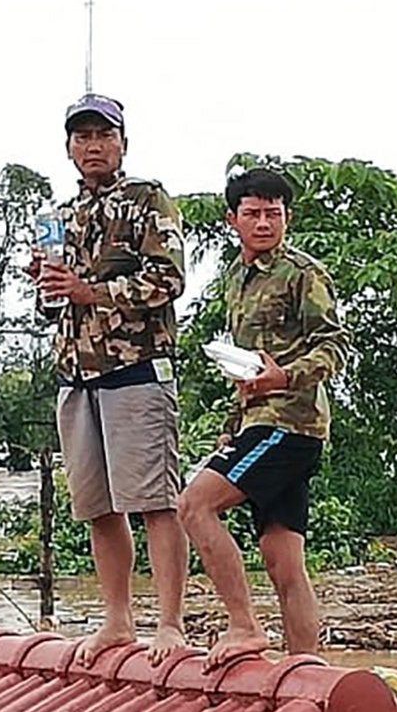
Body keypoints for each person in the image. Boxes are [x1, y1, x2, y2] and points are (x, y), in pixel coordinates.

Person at [32, 94, 191, 662]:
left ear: (124, 142)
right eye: (82, 137)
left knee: (154, 501)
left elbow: (169, 280)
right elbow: (51, 308)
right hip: (76, 375)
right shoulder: (58, 216)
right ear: (69, 147)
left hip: (136, 371)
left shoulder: (148, 200)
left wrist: (90, 290)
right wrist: (48, 284)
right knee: (97, 507)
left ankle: (169, 623)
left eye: (103, 135)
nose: (92, 145)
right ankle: (118, 620)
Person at [178, 166, 351, 667]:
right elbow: (248, 365)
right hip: (257, 422)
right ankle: (307, 671)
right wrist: (231, 427)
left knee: (194, 506)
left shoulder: (303, 273)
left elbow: (335, 344)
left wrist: (285, 377)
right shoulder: (236, 279)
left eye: (272, 214)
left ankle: (244, 627)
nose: (263, 223)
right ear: (232, 219)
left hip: (289, 423)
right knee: (283, 562)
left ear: (286, 218)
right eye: (252, 213)